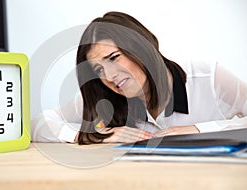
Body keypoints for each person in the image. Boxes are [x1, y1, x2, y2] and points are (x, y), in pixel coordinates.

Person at [31, 11, 247, 145]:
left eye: (114, 57)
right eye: (98, 70)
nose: (109, 76)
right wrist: (94, 135)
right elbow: (38, 123)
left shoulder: (208, 77)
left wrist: (198, 130)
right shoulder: (104, 97)